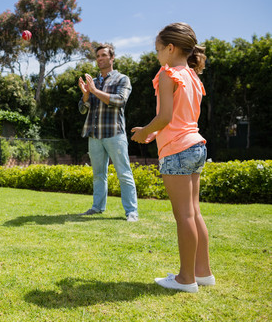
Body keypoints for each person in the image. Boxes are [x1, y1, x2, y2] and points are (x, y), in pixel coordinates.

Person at [131, 22, 214, 293]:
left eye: (157, 49)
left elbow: (165, 116)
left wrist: (145, 131)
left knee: (184, 217)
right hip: (196, 146)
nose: (156, 55)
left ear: (170, 48)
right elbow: (180, 119)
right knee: (195, 212)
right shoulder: (192, 76)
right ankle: (203, 273)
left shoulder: (167, 74)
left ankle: (186, 279)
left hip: (178, 152)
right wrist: (155, 135)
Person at [77, 43, 139, 222]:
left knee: (124, 173)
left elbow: (120, 101)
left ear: (112, 58)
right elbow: (83, 109)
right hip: (94, 136)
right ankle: (97, 207)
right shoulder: (93, 82)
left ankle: (131, 212)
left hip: (114, 134)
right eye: (98, 56)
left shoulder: (122, 79)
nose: (100, 59)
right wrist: (86, 94)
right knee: (98, 175)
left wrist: (95, 91)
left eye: (104, 55)